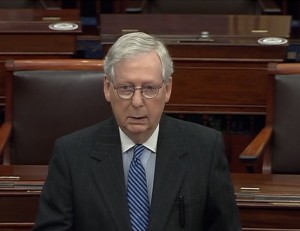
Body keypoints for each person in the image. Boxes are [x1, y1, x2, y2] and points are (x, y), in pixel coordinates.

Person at [33, 32, 241, 231]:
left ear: (167, 89)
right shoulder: (71, 155)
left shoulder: (205, 148)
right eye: (126, 88)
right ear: (107, 88)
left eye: (150, 88)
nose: (137, 102)